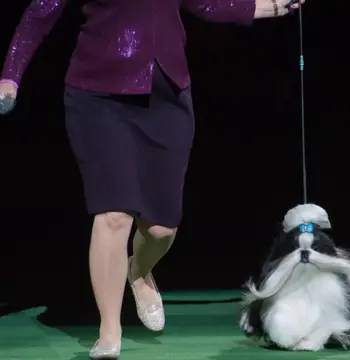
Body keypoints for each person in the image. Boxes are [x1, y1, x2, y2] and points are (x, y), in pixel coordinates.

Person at [0, 0, 304, 358]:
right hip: (97, 95)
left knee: (162, 229)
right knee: (114, 213)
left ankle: (139, 272)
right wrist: (10, 76)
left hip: (166, 97)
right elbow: (40, 12)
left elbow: (206, 4)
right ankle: (109, 330)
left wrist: (269, 6)